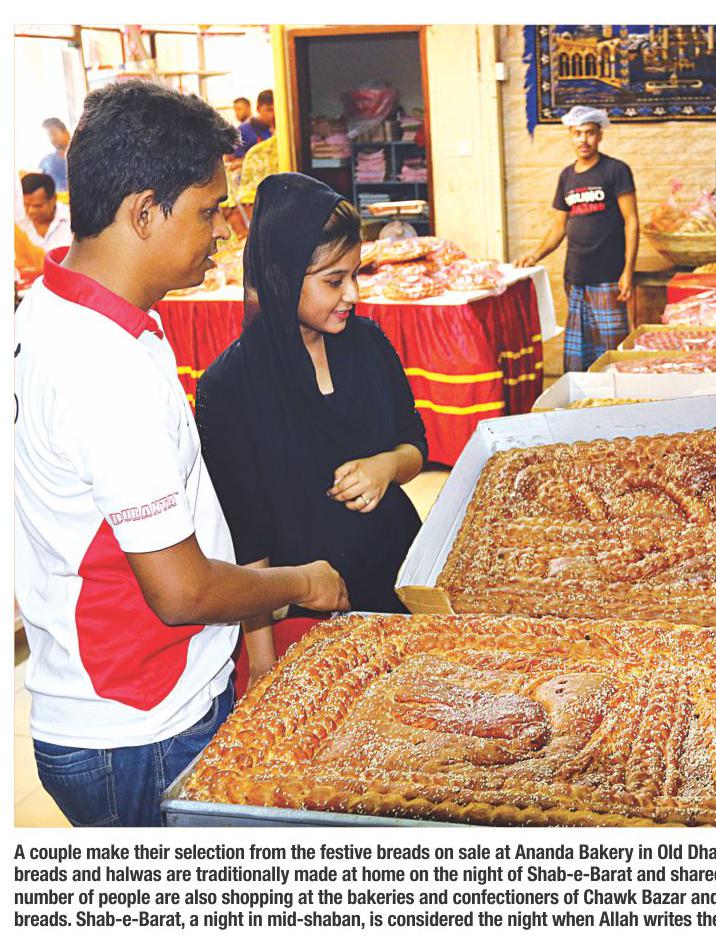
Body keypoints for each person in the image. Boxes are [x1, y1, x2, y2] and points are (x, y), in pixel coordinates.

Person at [14, 81, 348, 828]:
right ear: (144, 212)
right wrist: (303, 581)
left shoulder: (64, 306)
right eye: (207, 211)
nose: (223, 231)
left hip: (112, 698)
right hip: (141, 724)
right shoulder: (103, 369)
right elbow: (181, 591)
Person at [196, 174, 427, 687]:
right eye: (333, 280)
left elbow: (415, 443)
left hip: (399, 574)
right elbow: (247, 537)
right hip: (313, 609)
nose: (352, 294)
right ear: (281, 278)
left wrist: (387, 465)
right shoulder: (230, 386)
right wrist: (263, 661)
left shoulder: (368, 343)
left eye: (355, 274)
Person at [514, 105, 638, 371]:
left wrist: (628, 271)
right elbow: (559, 227)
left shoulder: (616, 170)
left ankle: (617, 395)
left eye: (590, 133)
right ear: (570, 135)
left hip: (608, 276)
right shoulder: (567, 176)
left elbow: (632, 221)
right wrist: (536, 254)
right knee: (579, 349)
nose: (583, 140)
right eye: (577, 133)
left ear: (600, 135)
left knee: (612, 350)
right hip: (575, 276)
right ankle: (583, 395)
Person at [18, 172, 70, 252]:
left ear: (54, 199)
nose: (31, 211)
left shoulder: (72, 220)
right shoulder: (17, 220)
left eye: (37, 206)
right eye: (26, 205)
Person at [234, 88, 274, 159]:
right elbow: (232, 160)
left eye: (275, 110)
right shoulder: (242, 131)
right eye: (269, 110)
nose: (273, 114)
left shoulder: (280, 128)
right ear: (258, 108)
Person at [39, 117, 70, 192]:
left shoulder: (82, 156)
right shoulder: (45, 162)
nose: (52, 138)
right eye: (49, 136)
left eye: (54, 133)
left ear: (65, 133)